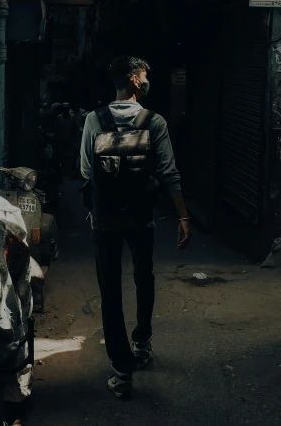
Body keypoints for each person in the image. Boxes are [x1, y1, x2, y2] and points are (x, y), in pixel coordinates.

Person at [80, 56, 191, 400]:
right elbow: (169, 173)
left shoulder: (93, 120)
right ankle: (141, 342)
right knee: (144, 277)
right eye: (144, 75)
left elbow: (85, 171)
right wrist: (183, 216)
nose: (147, 80)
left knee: (110, 291)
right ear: (132, 80)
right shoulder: (153, 121)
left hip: (105, 219)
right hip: (141, 217)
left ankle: (121, 371)